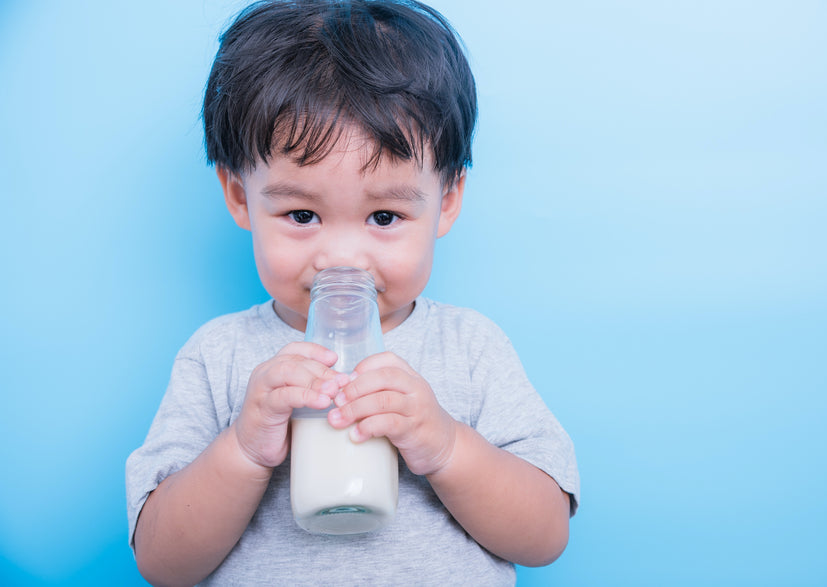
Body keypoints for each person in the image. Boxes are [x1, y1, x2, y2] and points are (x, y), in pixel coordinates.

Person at [125, 0, 579, 584]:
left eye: (385, 216)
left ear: (445, 201)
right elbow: (162, 563)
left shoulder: (470, 349)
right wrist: (242, 449)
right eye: (302, 214)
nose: (341, 258)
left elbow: (545, 536)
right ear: (240, 197)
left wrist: (445, 447)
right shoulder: (219, 356)